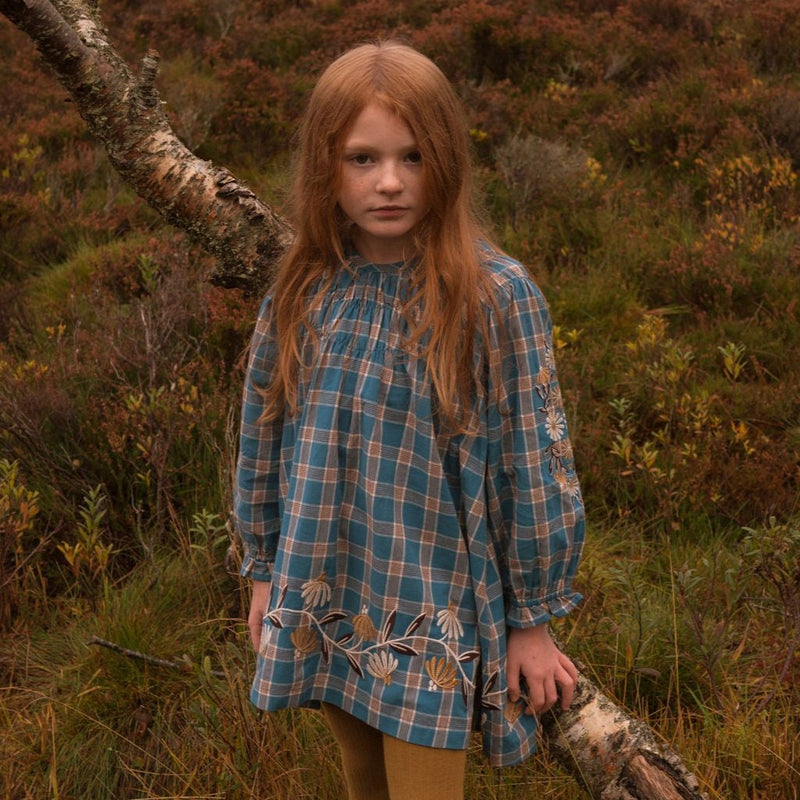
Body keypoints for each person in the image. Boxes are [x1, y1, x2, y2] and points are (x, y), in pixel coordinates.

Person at [234, 40, 585, 800]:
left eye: (414, 157)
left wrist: (534, 619)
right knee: (364, 782)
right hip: (325, 591)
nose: (389, 182)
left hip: (432, 617)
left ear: (448, 161)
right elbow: (262, 435)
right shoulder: (305, 287)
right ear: (324, 164)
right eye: (362, 158)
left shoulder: (495, 296)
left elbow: (535, 456)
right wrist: (264, 571)